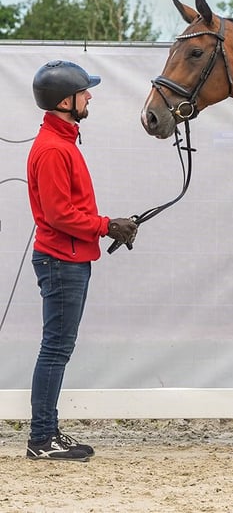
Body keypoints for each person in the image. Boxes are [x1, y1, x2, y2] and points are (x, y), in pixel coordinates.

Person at [25, 60, 138, 461]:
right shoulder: (55, 150)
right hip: (61, 261)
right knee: (55, 348)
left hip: (67, 258)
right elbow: (59, 215)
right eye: (84, 91)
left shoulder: (62, 142)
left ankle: (47, 432)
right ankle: (41, 439)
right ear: (65, 101)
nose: (90, 96)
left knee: (57, 347)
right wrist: (108, 225)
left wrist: (107, 225)